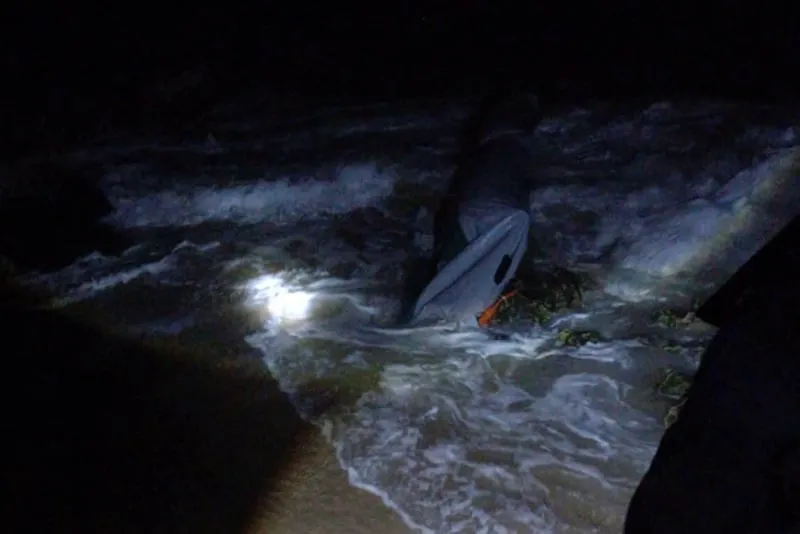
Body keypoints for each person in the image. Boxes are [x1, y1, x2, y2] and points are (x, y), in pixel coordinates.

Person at [401, 93, 542, 327]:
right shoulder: (518, 147)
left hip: (468, 209)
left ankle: (422, 323)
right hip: (487, 216)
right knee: (457, 294)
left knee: (448, 278)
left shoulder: (490, 146)